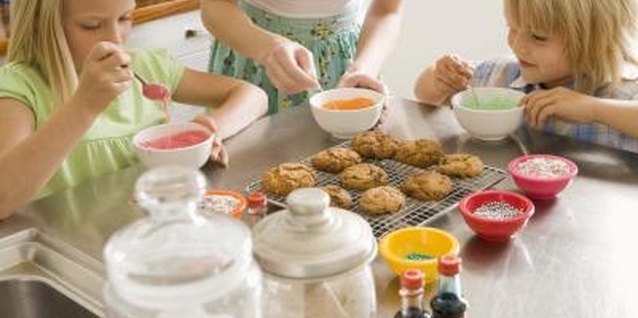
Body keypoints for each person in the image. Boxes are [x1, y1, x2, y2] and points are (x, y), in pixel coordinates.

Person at [0, 0, 268, 219]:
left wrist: (210, 129)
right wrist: (84, 106)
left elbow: (253, 95)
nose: (115, 39)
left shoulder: (145, 67)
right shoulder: (20, 87)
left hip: (144, 231)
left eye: (125, 18)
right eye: (91, 25)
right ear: (43, 25)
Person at [414, 0, 638, 153]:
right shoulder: (499, 75)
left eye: (539, 37)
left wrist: (594, 109)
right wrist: (441, 78)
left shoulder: (624, 93)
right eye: (512, 27)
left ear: (595, 43)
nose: (518, 46)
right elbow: (425, 95)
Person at [201, 0, 403, 114]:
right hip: (253, 61)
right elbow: (214, 7)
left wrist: (364, 69)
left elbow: (386, 11)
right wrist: (267, 49)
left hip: (346, 64)